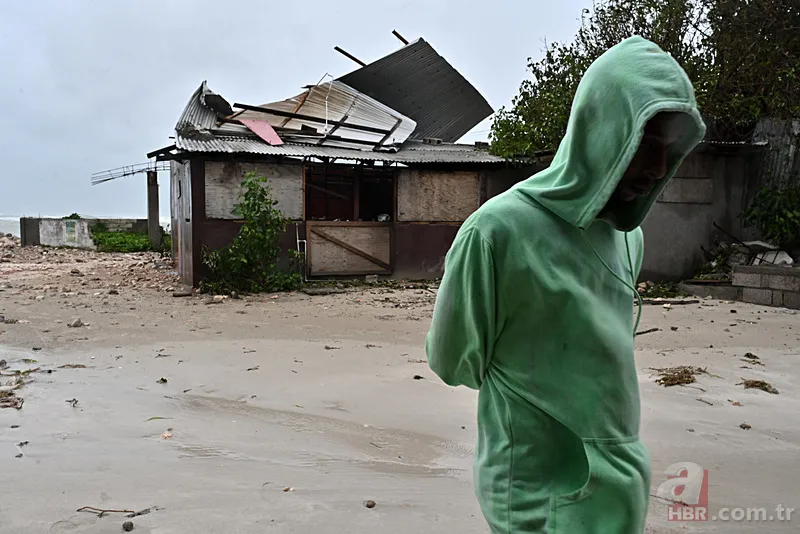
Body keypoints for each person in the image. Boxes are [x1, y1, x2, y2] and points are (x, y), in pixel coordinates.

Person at [425, 36, 706, 533]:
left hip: (619, 491)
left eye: (670, 150)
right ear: (601, 129)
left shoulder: (627, 237)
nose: (659, 169)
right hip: (540, 496)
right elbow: (453, 362)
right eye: (646, 143)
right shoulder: (497, 231)